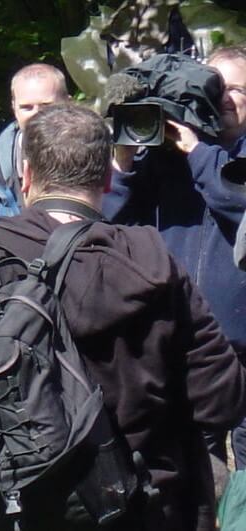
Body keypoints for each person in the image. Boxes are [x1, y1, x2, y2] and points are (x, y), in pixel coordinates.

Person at [0, 103, 246, 530]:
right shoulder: (154, 264)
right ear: (106, 177)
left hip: (9, 511)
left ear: (25, 175)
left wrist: (21, 459)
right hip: (145, 507)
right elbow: (223, 401)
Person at [102, 45, 246, 467]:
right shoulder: (163, 158)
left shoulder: (200, 156)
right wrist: (124, 159)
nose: (221, 98)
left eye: (234, 89)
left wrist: (198, 152)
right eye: (212, 87)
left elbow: (236, 198)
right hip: (184, 347)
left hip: (242, 346)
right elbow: (110, 220)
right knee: (189, 472)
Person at [0, 63, 69, 223]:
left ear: (68, 104)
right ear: (14, 108)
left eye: (47, 106)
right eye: (26, 108)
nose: (37, 115)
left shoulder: (92, 164)